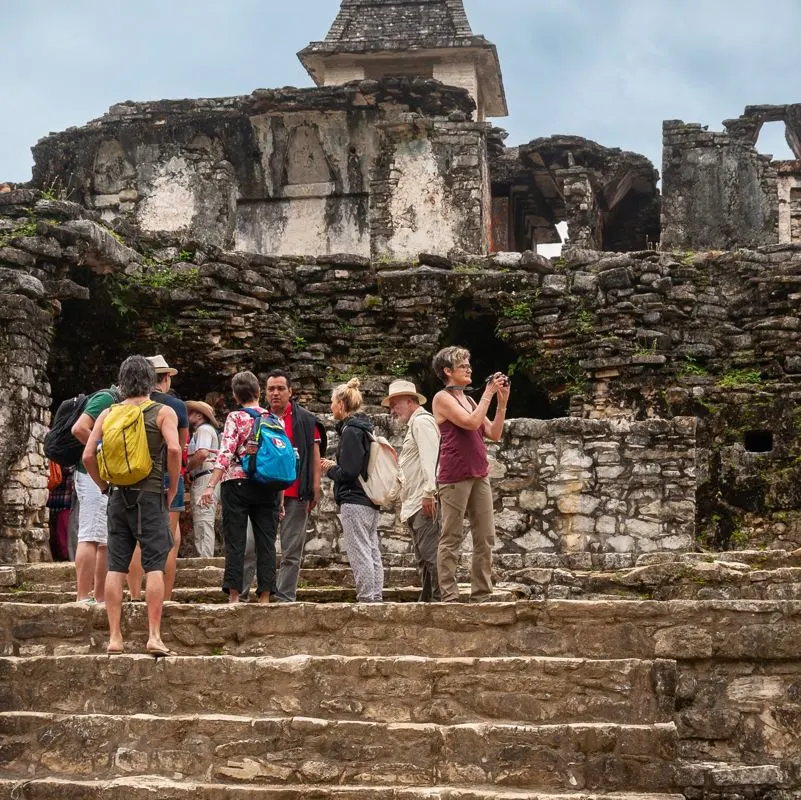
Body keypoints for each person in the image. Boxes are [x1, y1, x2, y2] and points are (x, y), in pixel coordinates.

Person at [82, 355, 181, 656]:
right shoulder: (163, 412)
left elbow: (88, 455)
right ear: (152, 381)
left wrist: (102, 485)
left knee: (116, 566)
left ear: (122, 383)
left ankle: (115, 638)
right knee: (153, 566)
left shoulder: (108, 413)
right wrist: (172, 488)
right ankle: (153, 635)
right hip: (150, 496)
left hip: (117, 497)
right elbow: (175, 449)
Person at [431, 346, 510, 603]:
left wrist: (501, 402)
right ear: (447, 371)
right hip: (455, 475)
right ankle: (450, 597)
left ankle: (482, 594)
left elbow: (494, 434)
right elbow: (470, 423)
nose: (469, 369)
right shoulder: (442, 398)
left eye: (468, 364)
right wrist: (488, 393)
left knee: (485, 536)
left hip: (479, 473)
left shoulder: (471, 400)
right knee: (451, 536)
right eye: (463, 366)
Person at [241, 370, 326, 601]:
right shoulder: (257, 419)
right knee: (250, 546)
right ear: (264, 393)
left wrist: (315, 488)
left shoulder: (307, 421)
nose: (276, 393)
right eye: (271, 389)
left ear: (291, 391)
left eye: (280, 388)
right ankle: (241, 593)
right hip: (262, 493)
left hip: (296, 492)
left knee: (291, 550)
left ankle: (285, 595)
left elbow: (315, 455)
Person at [198, 371, 281, 603]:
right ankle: (265, 596)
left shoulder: (236, 417)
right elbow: (280, 459)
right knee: (266, 541)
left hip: (237, 482)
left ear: (236, 395)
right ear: (259, 392)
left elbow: (225, 453)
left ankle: (234, 595)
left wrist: (210, 485)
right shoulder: (274, 419)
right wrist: (280, 499)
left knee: (236, 540)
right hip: (268, 485)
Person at [126, 355, 188, 600]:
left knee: (137, 538)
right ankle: (165, 597)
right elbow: (180, 447)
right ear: (165, 378)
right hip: (166, 474)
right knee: (168, 539)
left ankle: (133, 595)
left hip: (136, 475)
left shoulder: (128, 405)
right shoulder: (175, 406)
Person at [320, 378, 383, 603]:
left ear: (341, 404)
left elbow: (348, 472)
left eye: (332, 402)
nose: (330, 407)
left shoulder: (351, 431)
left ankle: (367, 598)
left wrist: (330, 469)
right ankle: (375, 597)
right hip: (368, 500)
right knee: (372, 549)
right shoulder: (363, 429)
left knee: (360, 552)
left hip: (354, 499)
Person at [384, 379, 441, 602]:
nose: (393, 410)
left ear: (410, 401)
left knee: (429, 553)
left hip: (422, 499)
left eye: (395, 404)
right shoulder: (416, 425)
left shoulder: (422, 423)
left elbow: (431, 459)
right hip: (416, 501)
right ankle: (429, 600)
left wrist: (429, 492)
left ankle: (438, 600)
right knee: (423, 555)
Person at [70, 383, 121, 603]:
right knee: (90, 535)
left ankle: (99, 596)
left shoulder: (116, 402)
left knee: (103, 539)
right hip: (90, 474)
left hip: (101, 474)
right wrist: (104, 450)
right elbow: (79, 428)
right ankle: (83, 595)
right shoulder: (106, 399)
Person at [186, 400, 220, 558]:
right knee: (202, 518)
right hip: (203, 476)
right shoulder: (201, 432)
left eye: (191, 412)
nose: (187, 415)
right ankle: (204, 555)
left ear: (199, 415)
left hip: (204, 477)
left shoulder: (204, 430)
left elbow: (202, 454)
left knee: (203, 518)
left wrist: (186, 468)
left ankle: (205, 558)